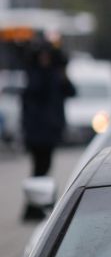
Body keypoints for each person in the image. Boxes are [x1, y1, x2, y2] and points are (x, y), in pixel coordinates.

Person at [20, 38, 76, 213]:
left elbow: (71, 91)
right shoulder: (34, 74)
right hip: (36, 131)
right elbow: (32, 97)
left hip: (50, 129)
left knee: (46, 166)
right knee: (39, 167)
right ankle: (35, 204)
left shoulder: (56, 74)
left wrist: (62, 71)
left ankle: (39, 202)